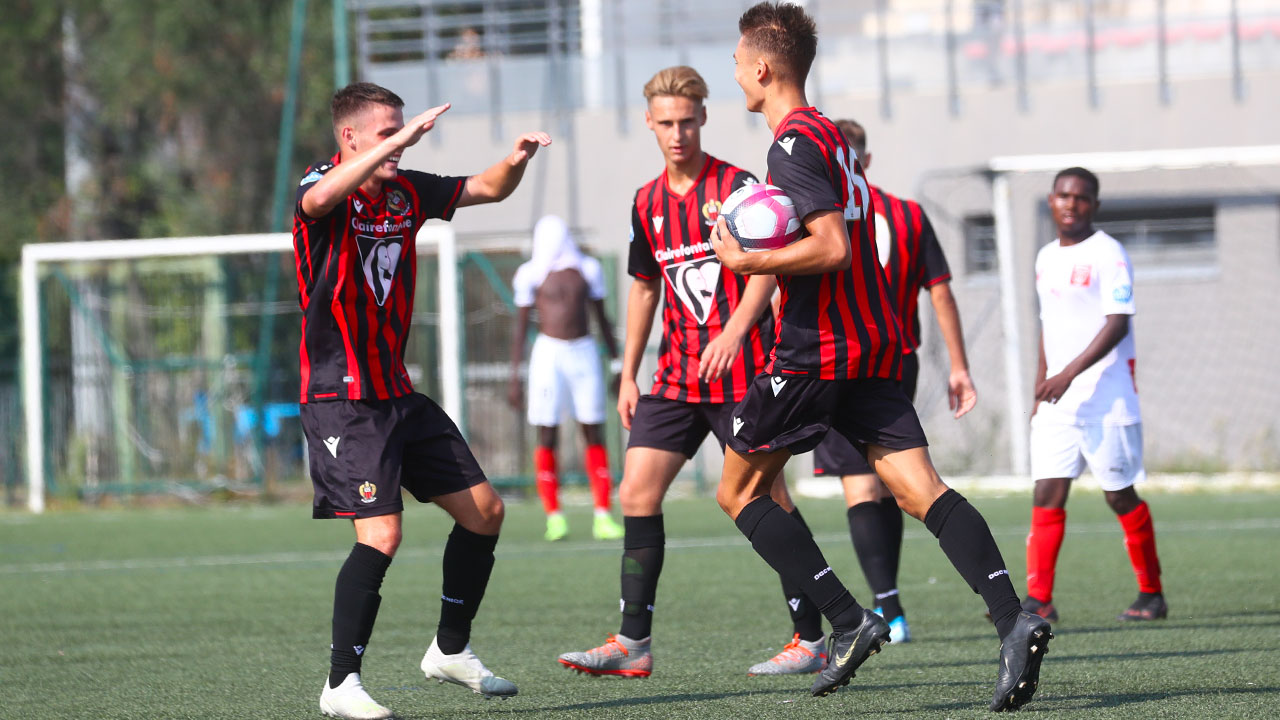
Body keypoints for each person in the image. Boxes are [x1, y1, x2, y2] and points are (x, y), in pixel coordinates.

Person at [711, 3, 1050, 710]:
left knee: (737, 493)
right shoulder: (830, 136)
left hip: (815, 353)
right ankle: (1013, 619)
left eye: (738, 62)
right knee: (921, 490)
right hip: (871, 348)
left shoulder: (792, 146)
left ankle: (847, 620)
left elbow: (831, 246)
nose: (734, 73)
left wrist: (748, 259)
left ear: (763, 67)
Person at [294, 81, 550, 720]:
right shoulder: (322, 184)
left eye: (402, 131)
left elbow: (485, 188)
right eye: (388, 133)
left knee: (485, 512)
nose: (401, 144)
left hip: (396, 394)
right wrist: (401, 141)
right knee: (382, 533)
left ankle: (449, 650)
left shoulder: (405, 191)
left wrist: (515, 159)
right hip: (341, 399)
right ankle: (340, 685)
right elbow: (318, 200)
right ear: (350, 137)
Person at [555, 65, 785, 678]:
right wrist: (628, 372)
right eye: (666, 124)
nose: (677, 134)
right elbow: (643, 287)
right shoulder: (646, 202)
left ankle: (813, 635)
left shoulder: (738, 187)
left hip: (744, 374)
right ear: (649, 124)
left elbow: (768, 266)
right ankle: (633, 642)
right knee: (635, 492)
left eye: (686, 121)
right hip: (677, 378)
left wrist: (735, 332)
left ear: (703, 117)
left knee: (767, 499)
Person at [787, 118, 978, 648]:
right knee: (890, 479)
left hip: (846, 360)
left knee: (869, 484)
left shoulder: (820, 218)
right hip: (883, 360)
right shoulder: (902, 213)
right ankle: (891, 605)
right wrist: (958, 366)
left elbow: (787, 291)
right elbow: (941, 292)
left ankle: (886, 608)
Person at [1026, 166, 1166, 623]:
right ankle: (1039, 600)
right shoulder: (1045, 257)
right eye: (1064, 195)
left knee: (1119, 495)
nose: (1071, 204)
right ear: (1052, 200)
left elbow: (1117, 322)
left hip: (1107, 399)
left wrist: (1067, 375)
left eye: (1081, 197)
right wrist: (1042, 385)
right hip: (1057, 400)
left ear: (1095, 205)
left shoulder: (1109, 253)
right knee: (1047, 491)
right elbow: (1048, 326)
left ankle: (1152, 594)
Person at [508, 214, 625, 542]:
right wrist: (515, 376)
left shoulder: (588, 269)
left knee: (593, 429)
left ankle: (602, 514)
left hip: (584, 351)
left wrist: (618, 366)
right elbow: (520, 328)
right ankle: (554, 516)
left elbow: (603, 318)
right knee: (547, 431)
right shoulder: (530, 273)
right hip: (548, 354)